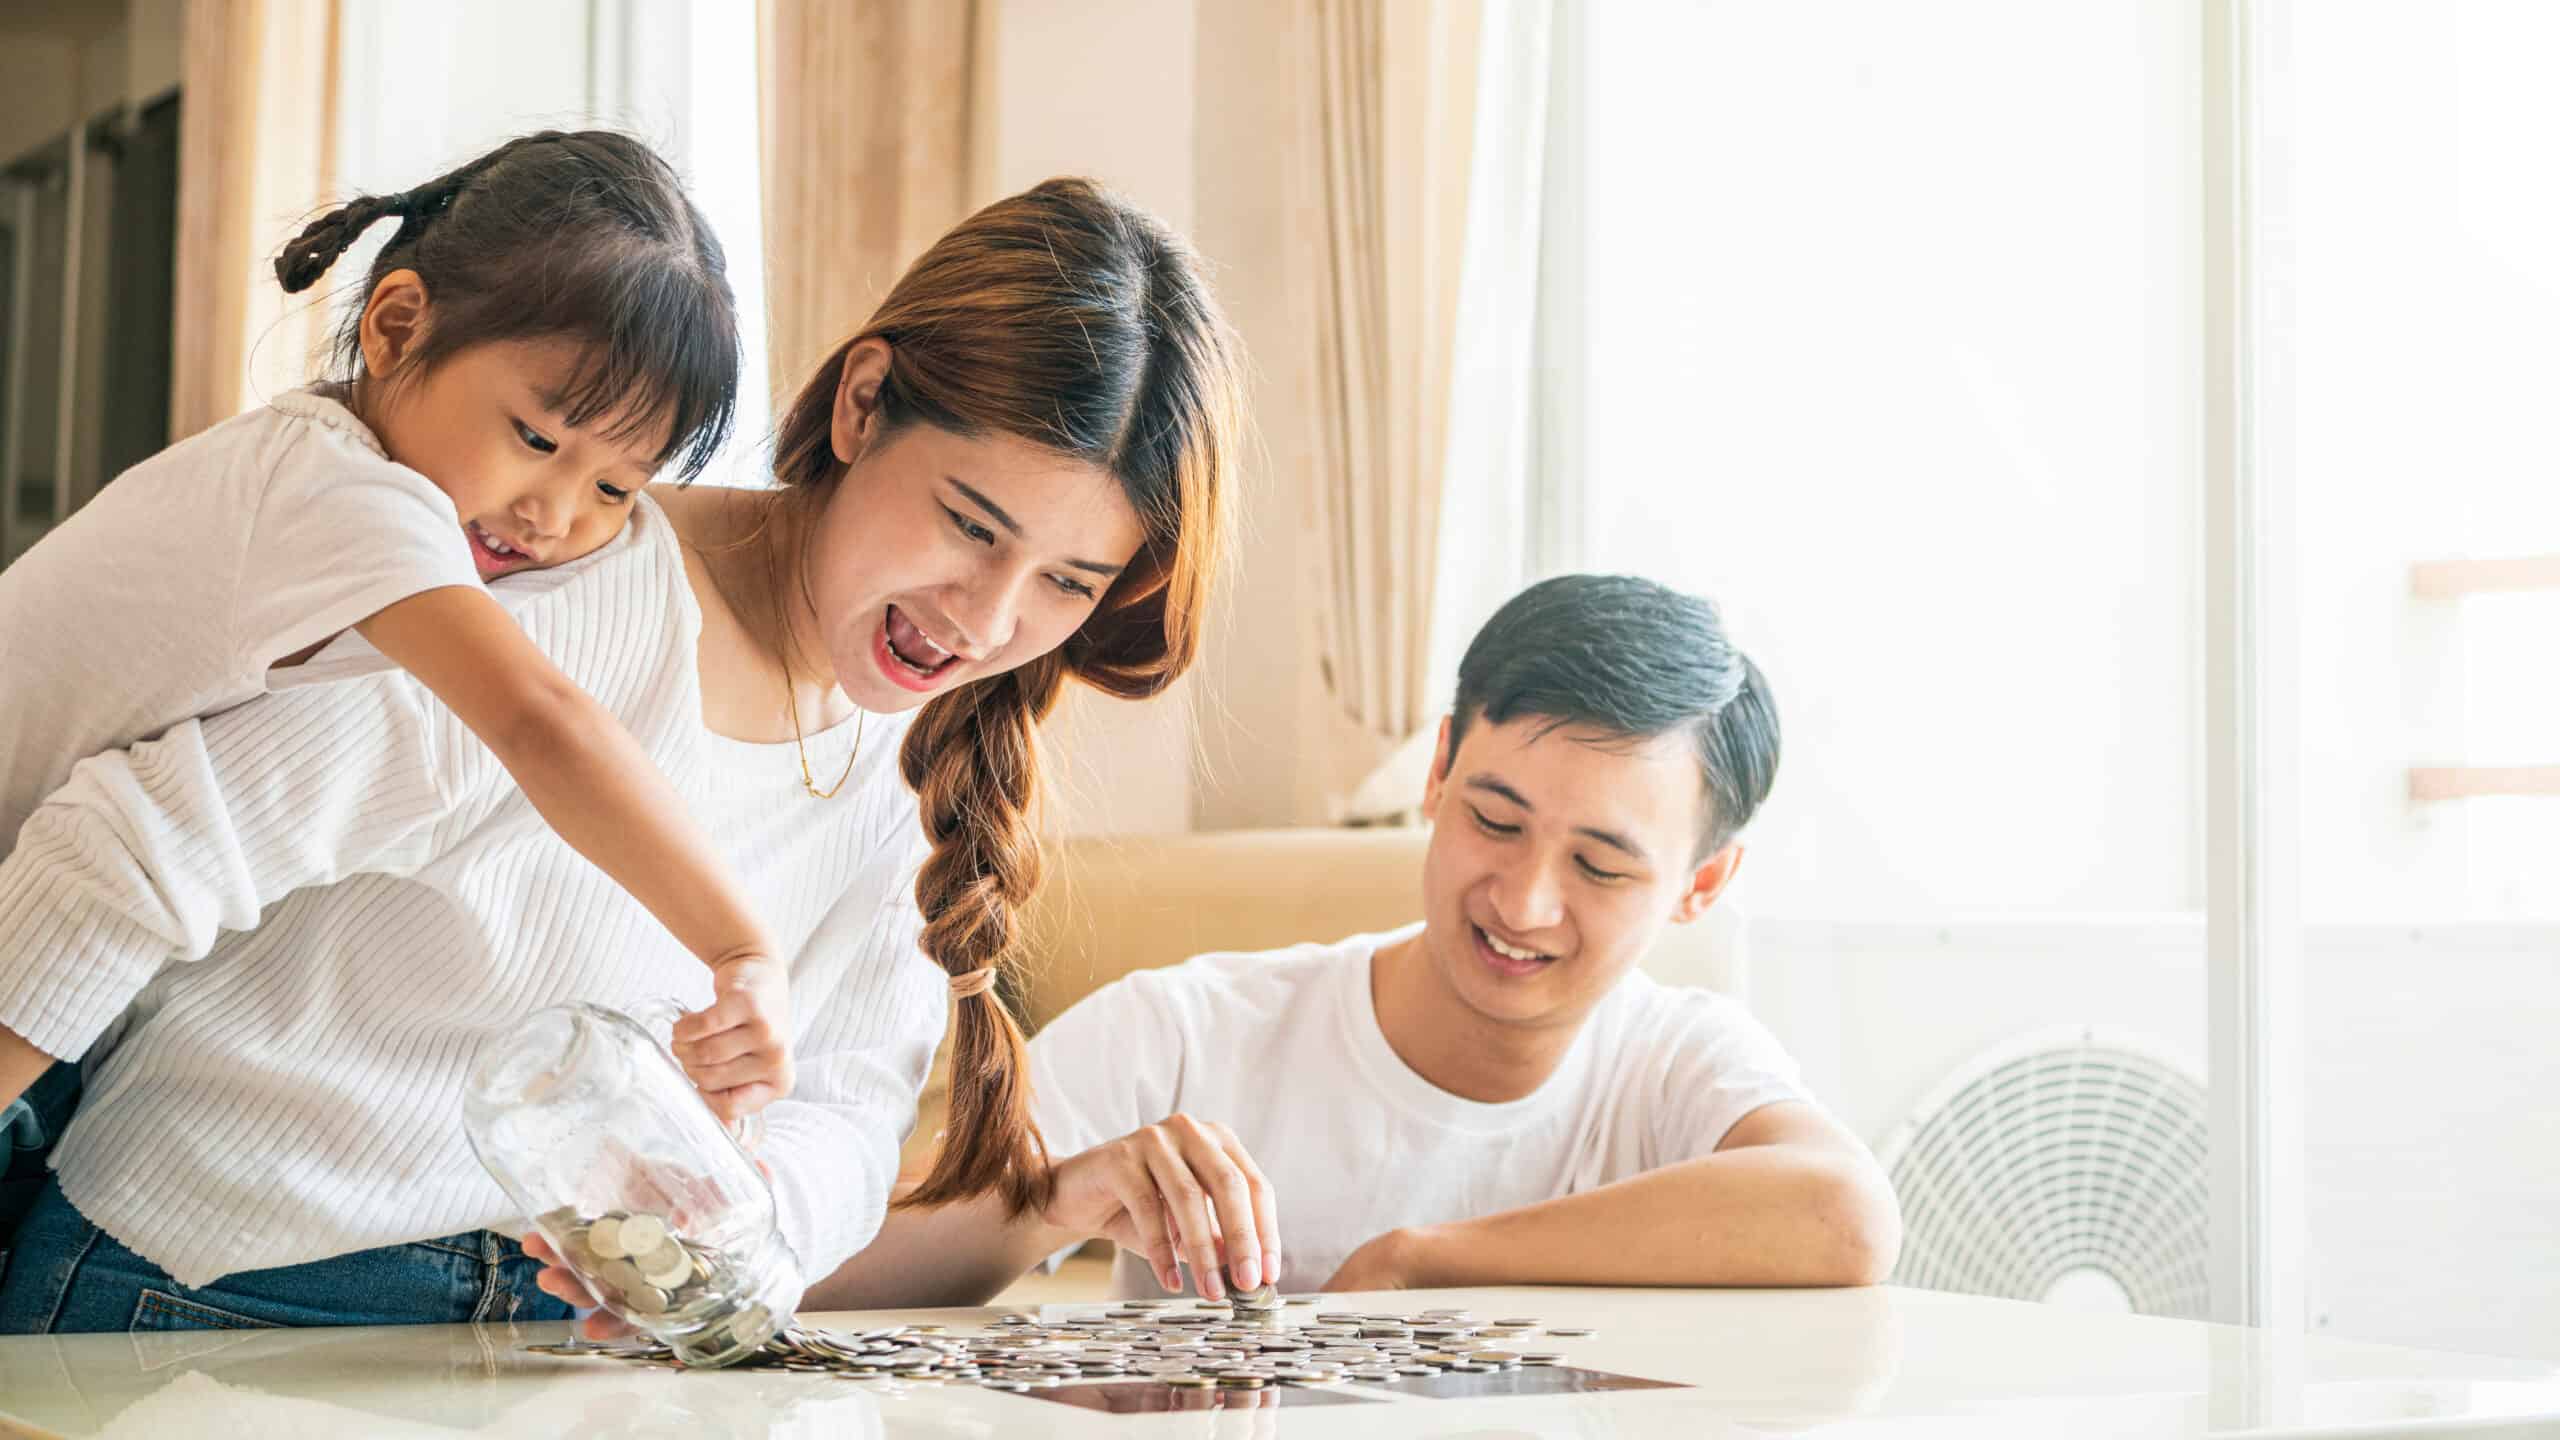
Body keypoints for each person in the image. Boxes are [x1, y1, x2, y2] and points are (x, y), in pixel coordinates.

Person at [0, 174, 1249, 1333]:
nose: (985, 619)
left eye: (1066, 585)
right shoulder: (545, 584)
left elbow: (852, 1118)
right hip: (221, 1292)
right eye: (971, 525)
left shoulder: (929, 758)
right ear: (864, 402)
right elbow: (124, 852)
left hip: (552, 1345)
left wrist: (747, 1235)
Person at [802, 574, 1900, 1306]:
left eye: (1601, 866)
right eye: (1493, 819)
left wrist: (1426, 1261)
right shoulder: (1189, 1031)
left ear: (1701, 886)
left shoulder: (1676, 1061)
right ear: (1435, 773)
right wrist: (1059, 1199)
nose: (1522, 901)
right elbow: (820, 1271)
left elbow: (1844, 1216)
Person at [0, 131, 793, 1145]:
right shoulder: (341, 495)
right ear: (398, 324)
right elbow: (539, 720)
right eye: (537, 439)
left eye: (612, 488)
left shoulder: (340, 478)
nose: (551, 512)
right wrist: (739, 947)